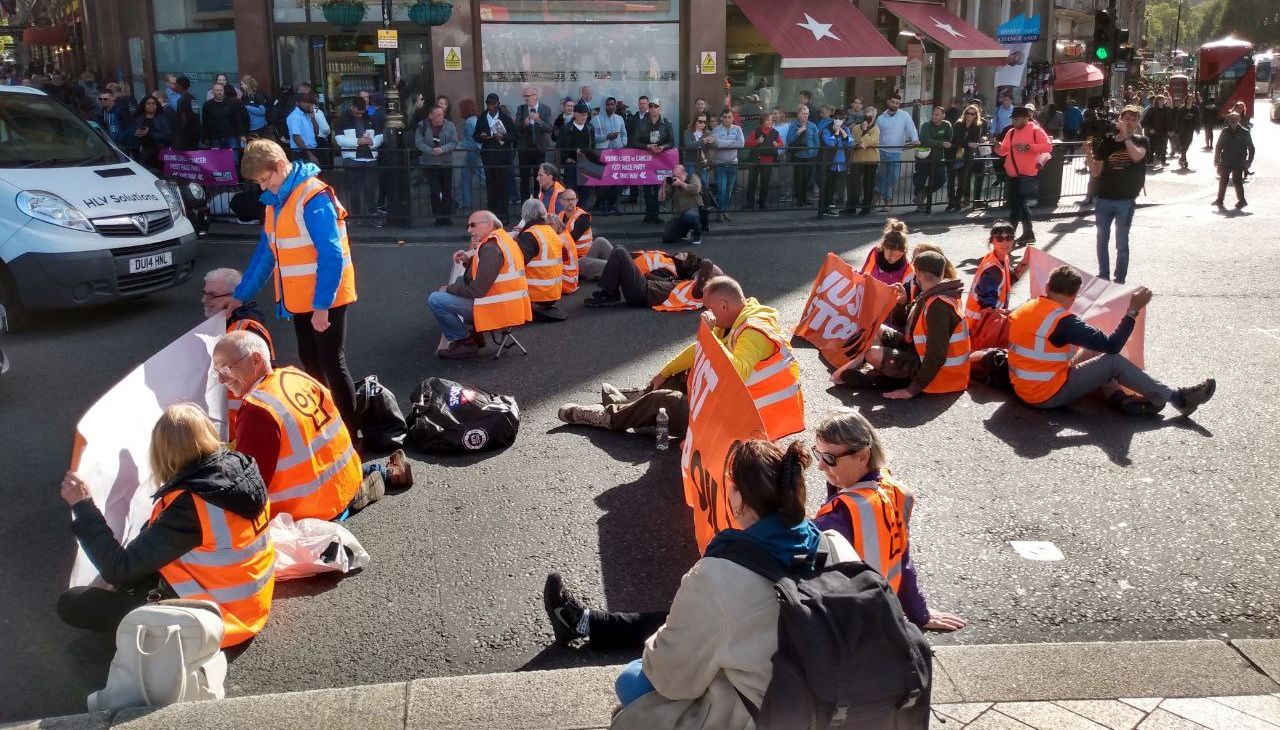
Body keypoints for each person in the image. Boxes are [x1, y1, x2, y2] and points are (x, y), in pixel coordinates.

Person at [542, 440, 858, 728]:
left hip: (772, 714)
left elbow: (669, 676)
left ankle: (589, 626)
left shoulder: (718, 576)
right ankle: (589, 624)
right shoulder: (834, 544)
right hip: (848, 704)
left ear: (737, 497)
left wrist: (663, 640)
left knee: (631, 682)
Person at [58, 403, 275, 647]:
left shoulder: (191, 506)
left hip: (220, 620)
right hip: (251, 600)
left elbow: (119, 569)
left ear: (164, 454)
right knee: (132, 570)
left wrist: (84, 505)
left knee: (73, 603)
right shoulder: (242, 467)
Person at [563, 277, 803, 439]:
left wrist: (711, 336)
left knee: (664, 402)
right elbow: (699, 350)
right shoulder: (737, 315)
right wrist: (664, 373)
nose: (705, 312)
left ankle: (609, 416)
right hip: (731, 404)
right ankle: (635, 402)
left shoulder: (754, 331)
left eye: (707, 307)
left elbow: (737, 373)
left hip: (744, 423)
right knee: (681, 374)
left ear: (722, 305)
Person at [227, 139, 360, 433]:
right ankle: (326, 427)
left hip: (327, 299)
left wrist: (322, 306)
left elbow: (331, 255)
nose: (263, 187)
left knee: (332, 364)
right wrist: (240, 295)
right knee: (312, 362)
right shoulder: (277, 201)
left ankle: (350, 436)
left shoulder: (313, 196)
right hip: (302, 301)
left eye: (264, 179)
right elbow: (266, 253)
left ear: (279, 167)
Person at [213, 331, 407, 520]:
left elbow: (249, 487)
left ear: (256, 359)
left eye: (225, 369)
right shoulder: (295, 376)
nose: (221, 379)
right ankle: (380, 475)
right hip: (345, 479)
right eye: (216, 373)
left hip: (308, 511)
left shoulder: (257, 411)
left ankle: (375, 479)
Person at [811, 409, 967, 632]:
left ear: (863, 455)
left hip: (849, 625)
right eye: (819, 454)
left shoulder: (839, 517)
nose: (820, 466)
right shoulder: (893, 489)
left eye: (830, 458)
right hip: (881, 612)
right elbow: (901, 558)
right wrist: (918, 612)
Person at [1008, 265, 1216, 416]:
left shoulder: (1027, 307)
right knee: (1112, 360)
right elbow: (1113, 345)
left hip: (1025, 386)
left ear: (1048, 287)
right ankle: (1179, 399)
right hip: (1045, 393)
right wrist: (1132, 310)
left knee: (1099, 354)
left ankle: (1121, 400)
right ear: (1074, 295)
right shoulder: (1062, 321)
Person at [832, 250, 969, 399]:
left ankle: (882, 376)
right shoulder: (934, 292)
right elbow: (907, 328)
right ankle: (875, 371)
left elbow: (936, 354)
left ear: (919, 273)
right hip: (917, 349)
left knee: (872, 353)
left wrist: (911, 390)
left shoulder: (939, 306)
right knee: (874, 327)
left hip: (940, 375)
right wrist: (901, 304)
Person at [427, 210, 533, 359]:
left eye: (473, 225)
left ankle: (465, 342)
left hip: (497, 308)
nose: (469, 229)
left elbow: (477, 290)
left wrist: (449, 289)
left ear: (489, 224)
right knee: (450, 293)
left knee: (436, 299)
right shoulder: (503, 240)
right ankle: (476, 336)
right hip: (511, 306)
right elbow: (489, 273)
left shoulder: (490, 248)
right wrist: (468, 261)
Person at [1087, 105, 1149, 284]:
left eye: (1133, 119)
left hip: (1126, 200)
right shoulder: (1106, 142)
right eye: (1126, 118)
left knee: (1121, 241)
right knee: (1101, 238)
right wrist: (1088, 156)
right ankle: (1103, 275)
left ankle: (1119, 278)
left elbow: (1137, 157)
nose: (1129, 122)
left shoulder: (1141, 140)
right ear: (1120, 119)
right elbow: (1096, 172)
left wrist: (1126, 138)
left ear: (1137, 123)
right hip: (1104, 197)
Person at [583, 247, 718, 311]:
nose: (681, 252)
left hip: (642, 291)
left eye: (684, 254)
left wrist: (699, 263)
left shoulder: (697, 289)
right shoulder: (686, 282)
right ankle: (610, 292)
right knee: (615, 249)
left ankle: (609, 294)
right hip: (641, 286)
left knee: (619, 252)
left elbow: (707, 266)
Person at [996, 106, 1051, 245]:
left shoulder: (1036, 130)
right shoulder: (1011, 132)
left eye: (1017, 118)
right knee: (1020, 205)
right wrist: (996, 146)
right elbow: (1003, 151)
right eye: (1013, 118)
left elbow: (1048, 147)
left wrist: (1028, 147)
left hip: (1027, 174)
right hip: (1013, 173)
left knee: (1016, 205)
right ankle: (1028, 234)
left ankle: (1008, 237)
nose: (1014, 121)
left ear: (1026, 118)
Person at [335, 96, 384, 226]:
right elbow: (339, 139)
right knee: (354, 189)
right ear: (351, 107)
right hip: (352, 157)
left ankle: (372, 214)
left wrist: (372, 143)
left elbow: (379, 136)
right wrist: (358, 142)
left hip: (370, 157)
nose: (360, 115)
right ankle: (355, 215)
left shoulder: (371, 118)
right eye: (357, 112)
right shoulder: (342, 120)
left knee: (371, 188)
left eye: (361, 112)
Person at [515, 198, 567, 321]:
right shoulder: (550, 230)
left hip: (537, 294)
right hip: (553, 293)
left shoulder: (530, 234)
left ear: (525, 215)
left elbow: (517, 262)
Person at [474, 93, 517, 221]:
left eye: (493, 104)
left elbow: (514, 136)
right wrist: (482, 136)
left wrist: (503, 136)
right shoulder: (482, 118)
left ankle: (503, 216)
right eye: (489, 104)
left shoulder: (505, 118)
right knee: (491, 187)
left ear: (498, 104)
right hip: (488, 156)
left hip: (503, 157)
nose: (491, 106)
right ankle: (491, 216)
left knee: (503, 187)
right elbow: (475, 135)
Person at [632, 97, 675, 224]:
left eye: (655, 106)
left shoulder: (667, 123)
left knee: (657, 187)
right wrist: (647, 146)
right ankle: (648, 213)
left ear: (660, 108)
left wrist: (663, 147)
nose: (653, 109)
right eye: (651, 106)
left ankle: (655, 214)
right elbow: (634, 141)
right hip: (645, 158)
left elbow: (672, 142)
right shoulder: (641, 123)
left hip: (660, 159)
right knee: (646, 187)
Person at [416, 104, 459, 227]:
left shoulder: (449, 125)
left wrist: (443, 149)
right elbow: (419, 142)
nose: (441, 117)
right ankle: (438, 215)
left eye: (442, 114)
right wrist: (431, 150)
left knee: (446, 190)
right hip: (430, 163)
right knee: (435, 190)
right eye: (438, 115)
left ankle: (447, 216)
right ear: (431, 116)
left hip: (445, 162)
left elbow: (454, 142)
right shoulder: (422, 126)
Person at [874, 94, 918, 211]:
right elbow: (875, 133)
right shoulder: (881, 118)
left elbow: (911, 128)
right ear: (888, 102)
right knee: (883, 176)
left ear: (899, 104)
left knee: (894, 176)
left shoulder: (904, 115)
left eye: (897, 103)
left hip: (896, 152)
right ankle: (887, 200)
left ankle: (878, 191)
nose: (894, 105)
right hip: (882, 151)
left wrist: (915, 139)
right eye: (892, 102)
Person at [514, 86, 553, 201]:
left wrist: (538, 121)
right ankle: (524, 206)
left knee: (540, 178)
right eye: (524, 96)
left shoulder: (545, 109)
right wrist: (525, 123)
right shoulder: (521, 109)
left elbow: (550, 128)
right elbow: (516, 128)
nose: (525, 98)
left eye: (527, 96)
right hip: (525, 149)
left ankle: (539, 204)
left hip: (539, 149)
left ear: (535, 96)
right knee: (524, 179)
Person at [912, 106, 951, 213]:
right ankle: (919, 202)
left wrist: (938, 143)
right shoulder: (926, 126)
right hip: (923, 156)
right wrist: (940, 143)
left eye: (937, 114)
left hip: (938, 157)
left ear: (943, 116)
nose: (934, 116)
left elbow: (949, 140)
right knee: (920, 179)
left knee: (941, 179)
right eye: (933, 114)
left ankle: (923, 194)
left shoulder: (947, 126)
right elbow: (925, 140)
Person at [1212, 111, 1254, 210]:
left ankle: (1242, 201)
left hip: (1238, 161)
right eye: (1231, 119)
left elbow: (1251, 148)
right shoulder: (1224, 131)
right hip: (1226, 160)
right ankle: (1220, 199)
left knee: (1237, 181)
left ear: (1239, 120)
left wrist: (1249, 162)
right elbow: (1218, 146)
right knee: (1223, 180)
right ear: (1228, 120)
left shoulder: (1245, 132)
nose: (1233, 121)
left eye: (1235, 119)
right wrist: (1216, 160)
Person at [593, 97, 628, 214]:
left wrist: (623, 143)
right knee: (602, 181)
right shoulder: (596, 120)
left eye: (613, 104)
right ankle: (601, 205)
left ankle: (612, 205)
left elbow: (624, 134)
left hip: (617, 154)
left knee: (615, 181)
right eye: (608, 105)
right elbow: (594, 137)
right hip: (602, 154)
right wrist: (607, 137)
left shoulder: (619, 119)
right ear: (604, 106)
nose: (610, 107)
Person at [655, 163, 704, 245]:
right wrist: (664, 184)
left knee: (690, 216)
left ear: (684, 173)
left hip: (695, 210)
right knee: (667, 237)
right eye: (674, 175)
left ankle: (697, 234)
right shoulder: (673, 183)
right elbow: (662, 199)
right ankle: (685, 231)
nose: (676, 178)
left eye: (678, 175)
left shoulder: (692, 177)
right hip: (680, 214)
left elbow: (696, 189)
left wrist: (681, 183)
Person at [709, 108, 744, 222]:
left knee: (729, 190)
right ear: (721, 117)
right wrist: (732, 143)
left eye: (729, 117)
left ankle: (725, 211)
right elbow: (716, 144)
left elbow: (741, 144)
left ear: (733, 118)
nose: (727, 119)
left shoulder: (737, 129)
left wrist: (724, 143)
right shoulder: (716, 130)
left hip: (733, 163)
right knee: (721, 189)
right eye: (725, 117)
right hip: (720, 164)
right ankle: (720, 212)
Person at [743, 111, 783, 210]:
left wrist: (777, 145)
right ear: (762, 121)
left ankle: (762, 203)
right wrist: (757, 141)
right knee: (752, 182)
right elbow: (747, 144)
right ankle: (750, 203)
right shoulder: (755, 131)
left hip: (768, 160)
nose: (770, 122)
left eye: (771, 120)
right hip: (755, 159)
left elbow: (781, 143)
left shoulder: (775, 132)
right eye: (767, 120)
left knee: (765, 183)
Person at [948, 104, 984, 211]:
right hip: (954, 155)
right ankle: (951, 202)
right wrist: (968, 144)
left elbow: (975, 140)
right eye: (968, 113)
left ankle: (958, 202)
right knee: (950, 181)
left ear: (975, 115)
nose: (969, 116)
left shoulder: (977, 126)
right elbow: (955, 139)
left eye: (972, 114)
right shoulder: (958, 124)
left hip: (967, 156)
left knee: (962, 181)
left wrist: (969, 144)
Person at [845, 105, 880, 216]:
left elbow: (869, 142)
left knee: (868, 184)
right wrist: (857, 144)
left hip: (871, 160)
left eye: (871, 116)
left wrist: (865, 131)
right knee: (853, 184)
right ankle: (851, 207)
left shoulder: (875, 129)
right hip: (857, 159)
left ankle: (866, 208)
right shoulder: (856, 128)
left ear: (874, 117)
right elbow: (853, 141)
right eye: (866, 116)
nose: (868, 118)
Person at [859, 218, 914, 287]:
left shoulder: (906, 264)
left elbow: (907, 286)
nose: (894, 259)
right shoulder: (875, 252)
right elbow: (864, 271)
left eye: (898, 256)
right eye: (890, 256)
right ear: (883, 247)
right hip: (873, 290)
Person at [819, 110, 853, 217]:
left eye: (842, 119)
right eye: (837, 119)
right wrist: (836, 133)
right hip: (830, 163)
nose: (839, 121)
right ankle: (826, 208)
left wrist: (843, 133)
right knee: (829, 186)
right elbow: (830, 144)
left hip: (842, 163)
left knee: (839, 187)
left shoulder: (846, 129)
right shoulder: (826, 129)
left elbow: (850, 144)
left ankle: (836, 207)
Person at [557, 101, 596, 192]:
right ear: (575, 114)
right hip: (571, 163)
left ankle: (582, 205)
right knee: (571, 188)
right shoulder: (566, 128)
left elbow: (593, 145)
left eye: (586, 115)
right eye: (582, 114)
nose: (585, 117)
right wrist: (565, 158)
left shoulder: (590, 128)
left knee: (586, 189)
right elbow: (559, 145)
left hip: (586, 163)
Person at [787, 104, 819, 207]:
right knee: (799, 178)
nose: (806, 115)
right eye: (803, 113)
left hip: (809, 155)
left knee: (808, 178)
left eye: (807, 113)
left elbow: (816, 141)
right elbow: (789, 140)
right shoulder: (794, 125)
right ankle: (799, 199)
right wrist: (797, 133)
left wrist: (815, 152)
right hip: (798, 155)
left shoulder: (812, 125)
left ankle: (805, 197)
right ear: (799, 114)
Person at [128, 95, 171, 171]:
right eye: (148, 103)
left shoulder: (162, 119)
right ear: (144, 105)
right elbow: (129, 132)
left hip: (159, 151)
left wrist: (149, 133)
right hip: (142, 152)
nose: (151, 105)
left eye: (153, 103)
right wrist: (135, 133)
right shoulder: (137, 119)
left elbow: (167, 135)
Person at [286, 93, 330, 164]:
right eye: (304, 102)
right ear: (297, 103)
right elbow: (296, 137)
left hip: (311, 150)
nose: (308, 104)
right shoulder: (295, 117)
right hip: (302, 153)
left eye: (309, 102)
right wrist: (309, 155)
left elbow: (316, 132)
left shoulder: (306, 115)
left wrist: (313, 117)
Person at [457, 98, 484, 210]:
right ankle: (466, 201)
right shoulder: (476, 120)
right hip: (476, 151)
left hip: (473, 152)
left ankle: (466, 202)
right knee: (469, 176)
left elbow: (472, 140)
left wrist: (459, 144)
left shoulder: (469, 122)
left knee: (478, 176)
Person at [202, 82, 247, 150]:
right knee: (217, 159)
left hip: (230, 136)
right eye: (217, 90)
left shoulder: (231, 103)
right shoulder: (207, 105)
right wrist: (206, 137)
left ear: (224, 91)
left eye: (221, 90)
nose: (219, 92)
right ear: (213, 91)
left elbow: (237, 119)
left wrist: (242, 135)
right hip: (215, 138)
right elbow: (205, 122)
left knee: (234, 159)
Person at [682, 112, 713, 191]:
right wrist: (703, 141)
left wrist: (713, 141)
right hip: (691, 162)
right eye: (700, 121)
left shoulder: (708, 132)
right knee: (692, 186)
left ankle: (703, 203)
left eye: (705, 122)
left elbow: (714, 145)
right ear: (695, 121)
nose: (703, 124)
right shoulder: (687, 132)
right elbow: (688, 144)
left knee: (704, 187)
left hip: (704, 163)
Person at [170, 76, 201, 152]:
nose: (174, 86)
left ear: (180, 85)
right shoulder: (193, 98)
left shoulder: (182, 99)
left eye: (175, 84)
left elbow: (183, 118)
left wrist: (180, 134)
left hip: (187, 135)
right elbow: (196, 113)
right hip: (195, 133)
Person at [1141, 95, 1172, 167]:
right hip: (1154, 132)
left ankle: (1163, 162)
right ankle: (1150, 161)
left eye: (1163, 100)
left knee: (1163, 147)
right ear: (1157, 101)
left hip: (1164, 131)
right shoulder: (1152, 109)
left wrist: (1170, 130)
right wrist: (1150, 128)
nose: (1162, 102)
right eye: (1160, 100)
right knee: (1152, 147)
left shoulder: (1166, 109)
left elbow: (1169, 121)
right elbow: (1145, 121)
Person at [1171, 93, 1200, 170]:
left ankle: (1182, 159)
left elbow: (1198, 118)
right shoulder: (1181, 108)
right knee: (1183, 144)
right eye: (1188, 99)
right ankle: (1183, 159)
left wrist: (1198, 128)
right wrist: (1175, 130)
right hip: (1182, 129)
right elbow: (1177, 120)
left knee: (1187, 144)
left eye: (1191, 99)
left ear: (1193, 100)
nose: (1189, 100)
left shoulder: (1195, 108)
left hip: (1190, 129)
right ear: (1186, 100)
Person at [239, 75, 272, 139]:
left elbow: (262, 111)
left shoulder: (258, 95)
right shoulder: (244, 96)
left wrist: (247, 107)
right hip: (248, 126)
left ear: (247, 84)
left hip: (259, 127)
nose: (241, 86)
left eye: (242, 84)